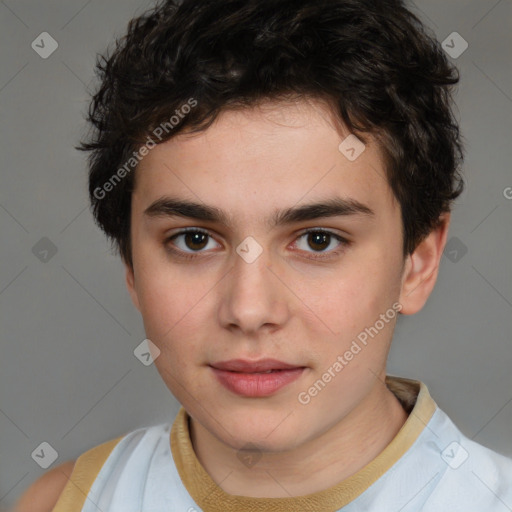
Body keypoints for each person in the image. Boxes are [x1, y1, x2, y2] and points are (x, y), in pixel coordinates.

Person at [16, 0, 512, 510]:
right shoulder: (63, 502)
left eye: (319, 240)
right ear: (131, 266)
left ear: (419, 262)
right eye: (194, 240)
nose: (249, 310)